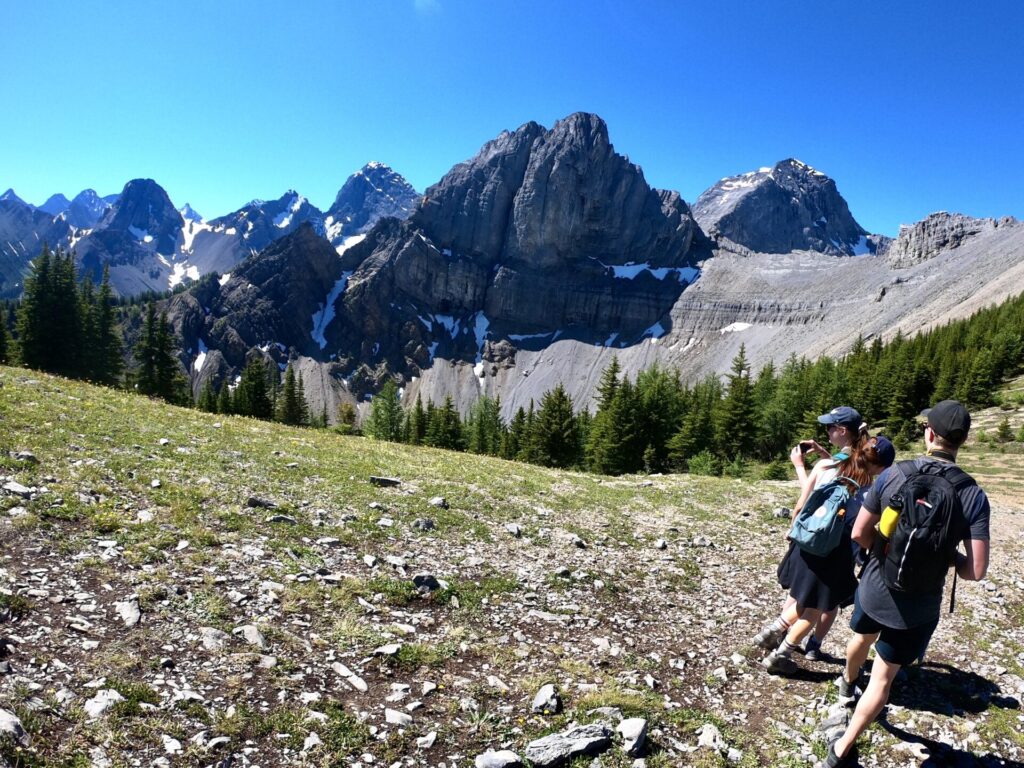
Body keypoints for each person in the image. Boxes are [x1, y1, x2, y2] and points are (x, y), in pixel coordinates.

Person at [826, 400, 990, 767]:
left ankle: (846, 685)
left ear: (929, 434)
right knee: (882, 680)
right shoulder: (973, 495)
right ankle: (841, 751)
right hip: (919, 605)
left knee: (861, 638)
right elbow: (975, 571)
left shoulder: (894, 474)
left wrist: (884, 555)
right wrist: (948, 556)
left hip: (876, 585)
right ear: (962, 441)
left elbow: (859, 532)